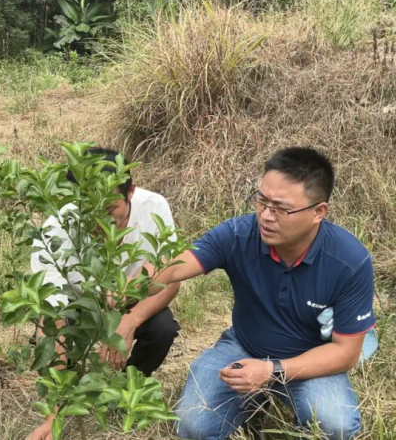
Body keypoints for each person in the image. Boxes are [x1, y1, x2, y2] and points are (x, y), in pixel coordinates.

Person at [140, 147, 375, 440]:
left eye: (281, 208)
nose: (266, 215)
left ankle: (264, 391)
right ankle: (254, 400)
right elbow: (175, 267)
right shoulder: (238, 235)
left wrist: (271, 371)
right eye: (262, 200)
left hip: (309, 359)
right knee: (194, 426)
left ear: (319, 212)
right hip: (244, 345)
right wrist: (131, 283)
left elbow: (345, 352)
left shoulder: (349, 261)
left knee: (335, 426)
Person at [25, 147, 182, 440]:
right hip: (78, 308)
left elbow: (170, 276)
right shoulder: (54, 233)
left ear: (130, 191)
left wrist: (130, 320)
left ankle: (125, 388)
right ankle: (71, 391)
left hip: (129, 302)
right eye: (90, 214)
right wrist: (53, 417)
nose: (101, 223)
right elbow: (53, 321)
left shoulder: (154, 207)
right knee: (51, 337)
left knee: (162, 328)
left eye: (110, 210)